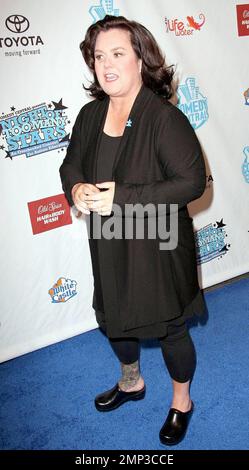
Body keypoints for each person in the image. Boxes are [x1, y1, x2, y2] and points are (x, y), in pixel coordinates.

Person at [59, 14, 207, 446]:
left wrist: (120, 196)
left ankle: (182, 402)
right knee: (114, 320)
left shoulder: (164, 118)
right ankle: (131, 384)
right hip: (108, 242)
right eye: (99, 56)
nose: (106, 64)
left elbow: (190, 182)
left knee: (170, 327)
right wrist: (77, 186)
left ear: (140, 59)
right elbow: (71, 164)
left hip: (159, 243)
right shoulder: (89, 115)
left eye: (118, 54)